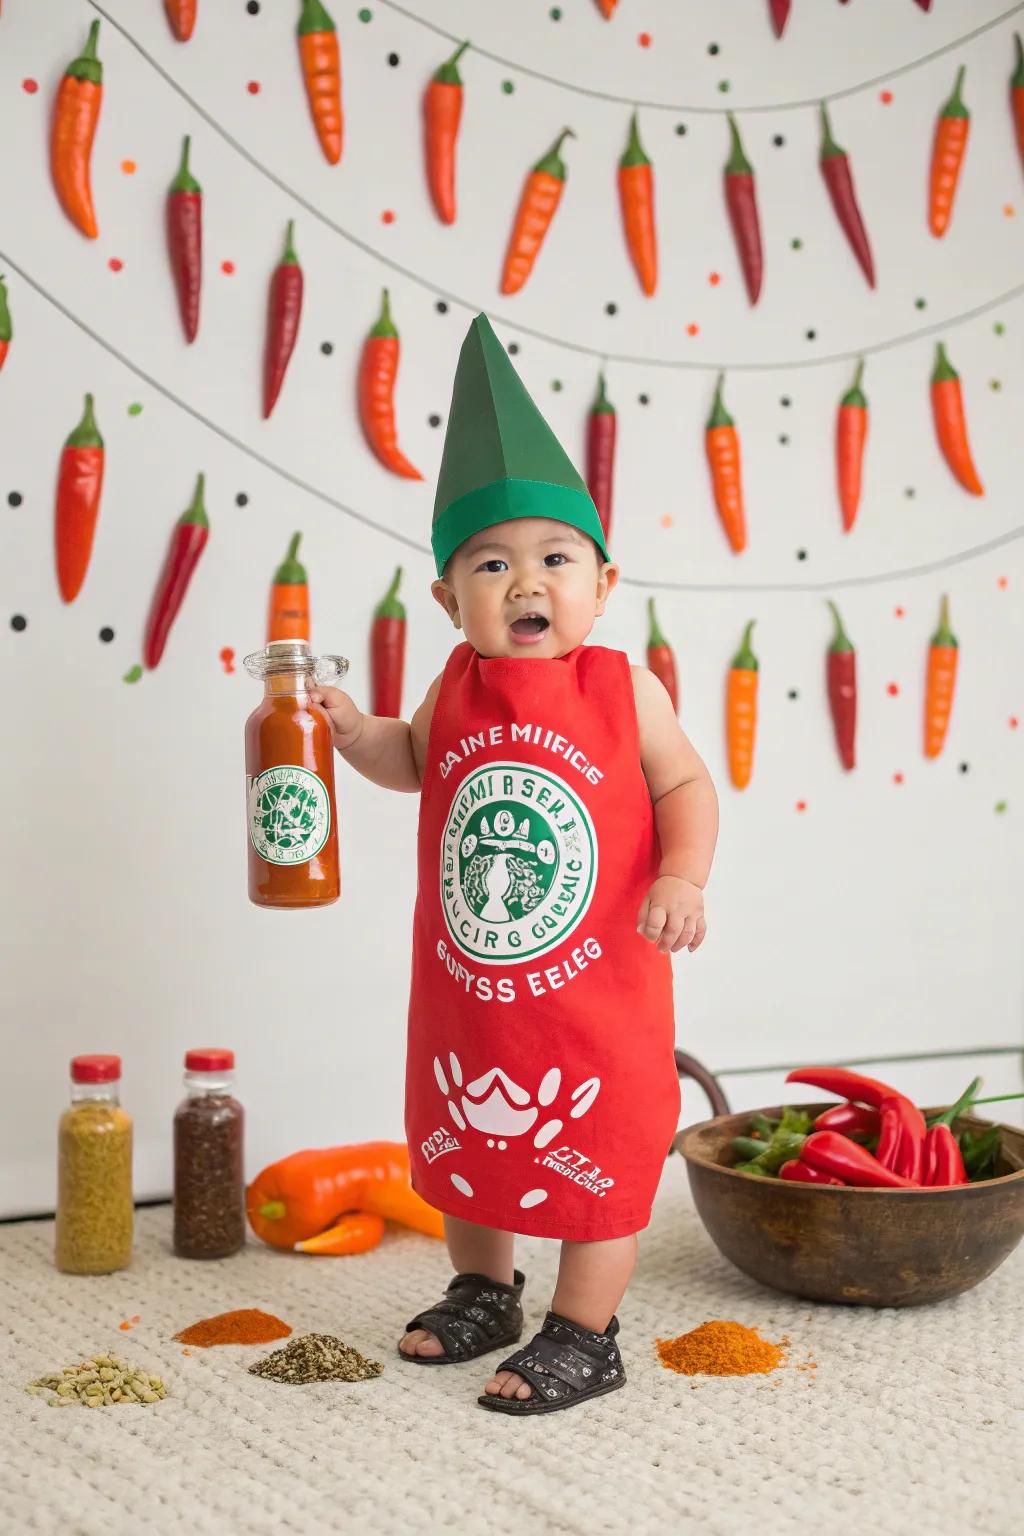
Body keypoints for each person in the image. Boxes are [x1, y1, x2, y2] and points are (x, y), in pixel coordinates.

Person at [311, 314, 718, 1415]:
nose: (525, 581)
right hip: (473, 985)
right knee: (461, 1137)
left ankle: (584, 1331)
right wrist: (356, 735)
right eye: (492, 564)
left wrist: (681, 875)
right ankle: (480, 1288)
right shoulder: (452, 685)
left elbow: (685, 785)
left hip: (597, 988)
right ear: (449, 600)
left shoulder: (624, 689)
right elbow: (412, 760)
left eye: (554, 559)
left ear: (601, 580)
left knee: (601, 1141)